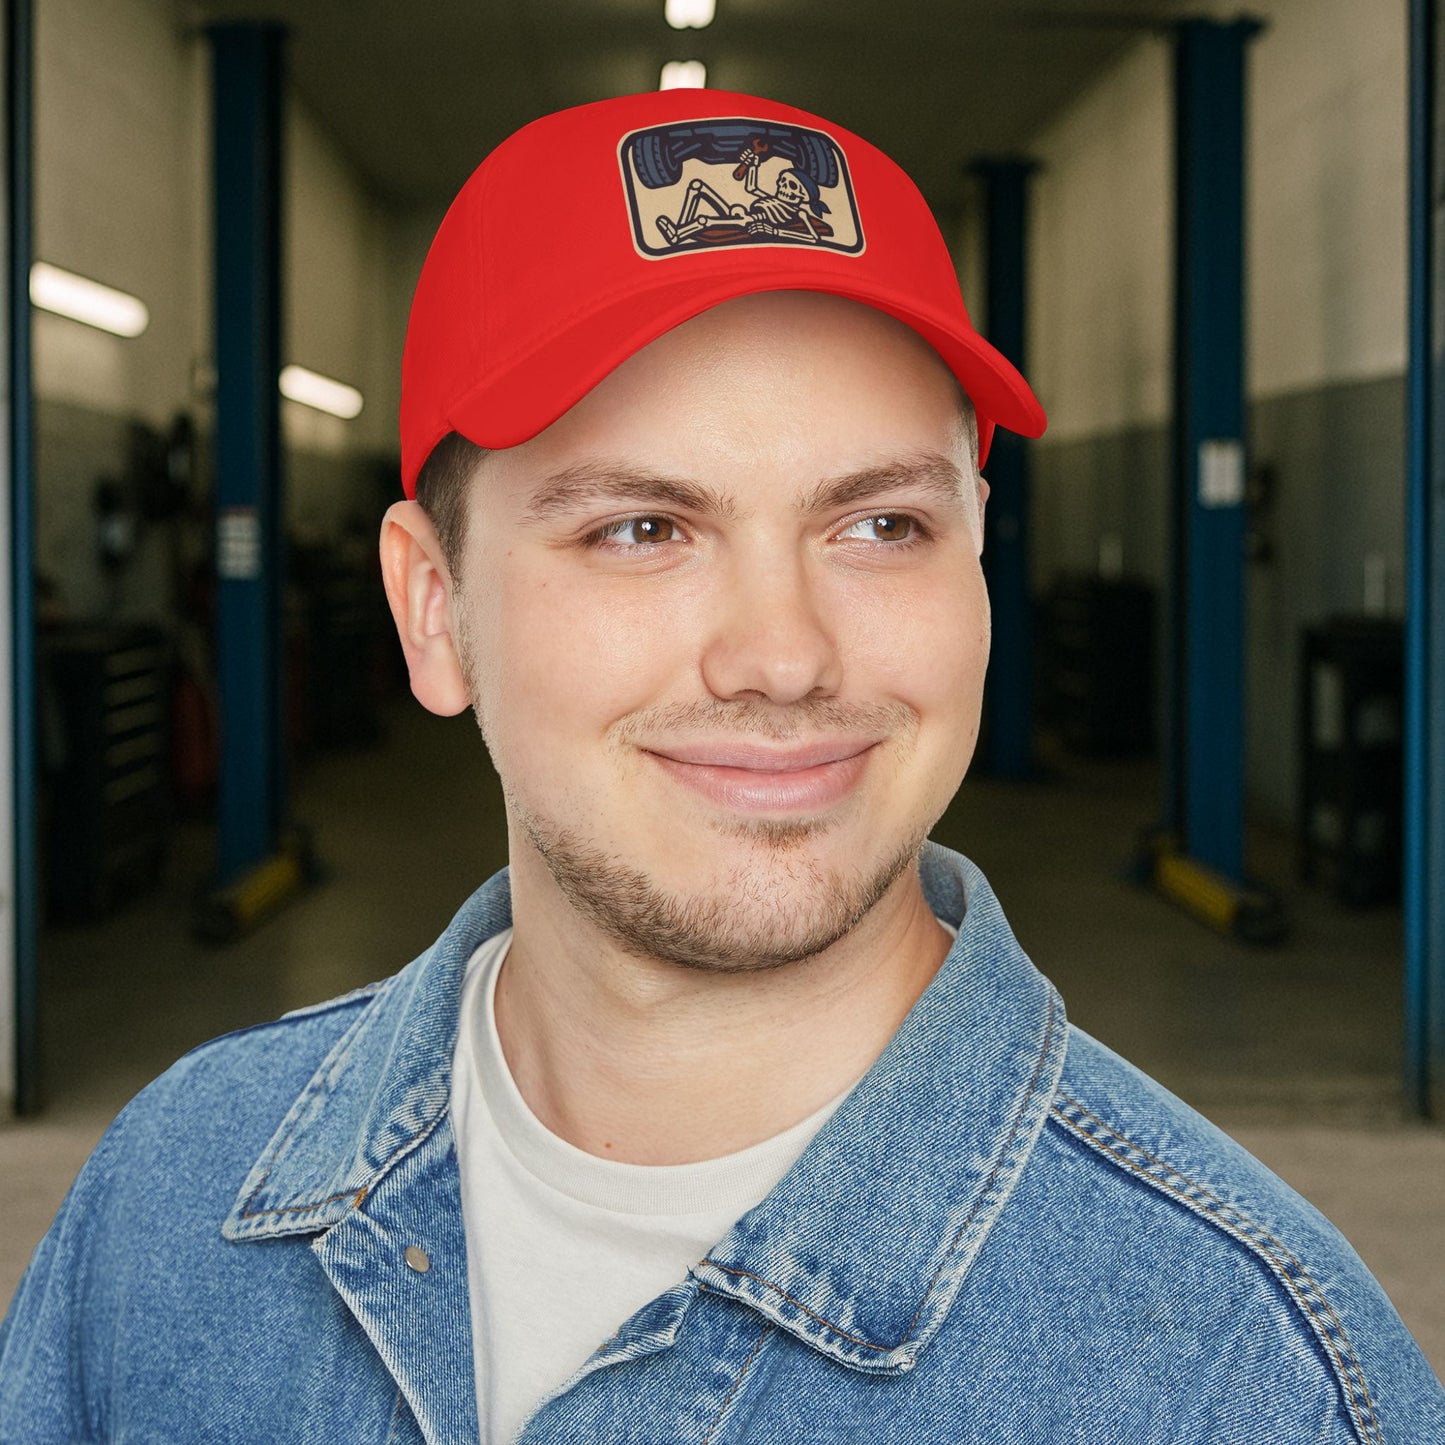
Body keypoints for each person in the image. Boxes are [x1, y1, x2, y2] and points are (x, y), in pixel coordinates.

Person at [1, 87, 1441, 1445]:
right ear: (433, 609)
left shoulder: (1242, 1373)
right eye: (641, 528)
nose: (782, 655)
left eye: (881, 525)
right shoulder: (168, 1211)